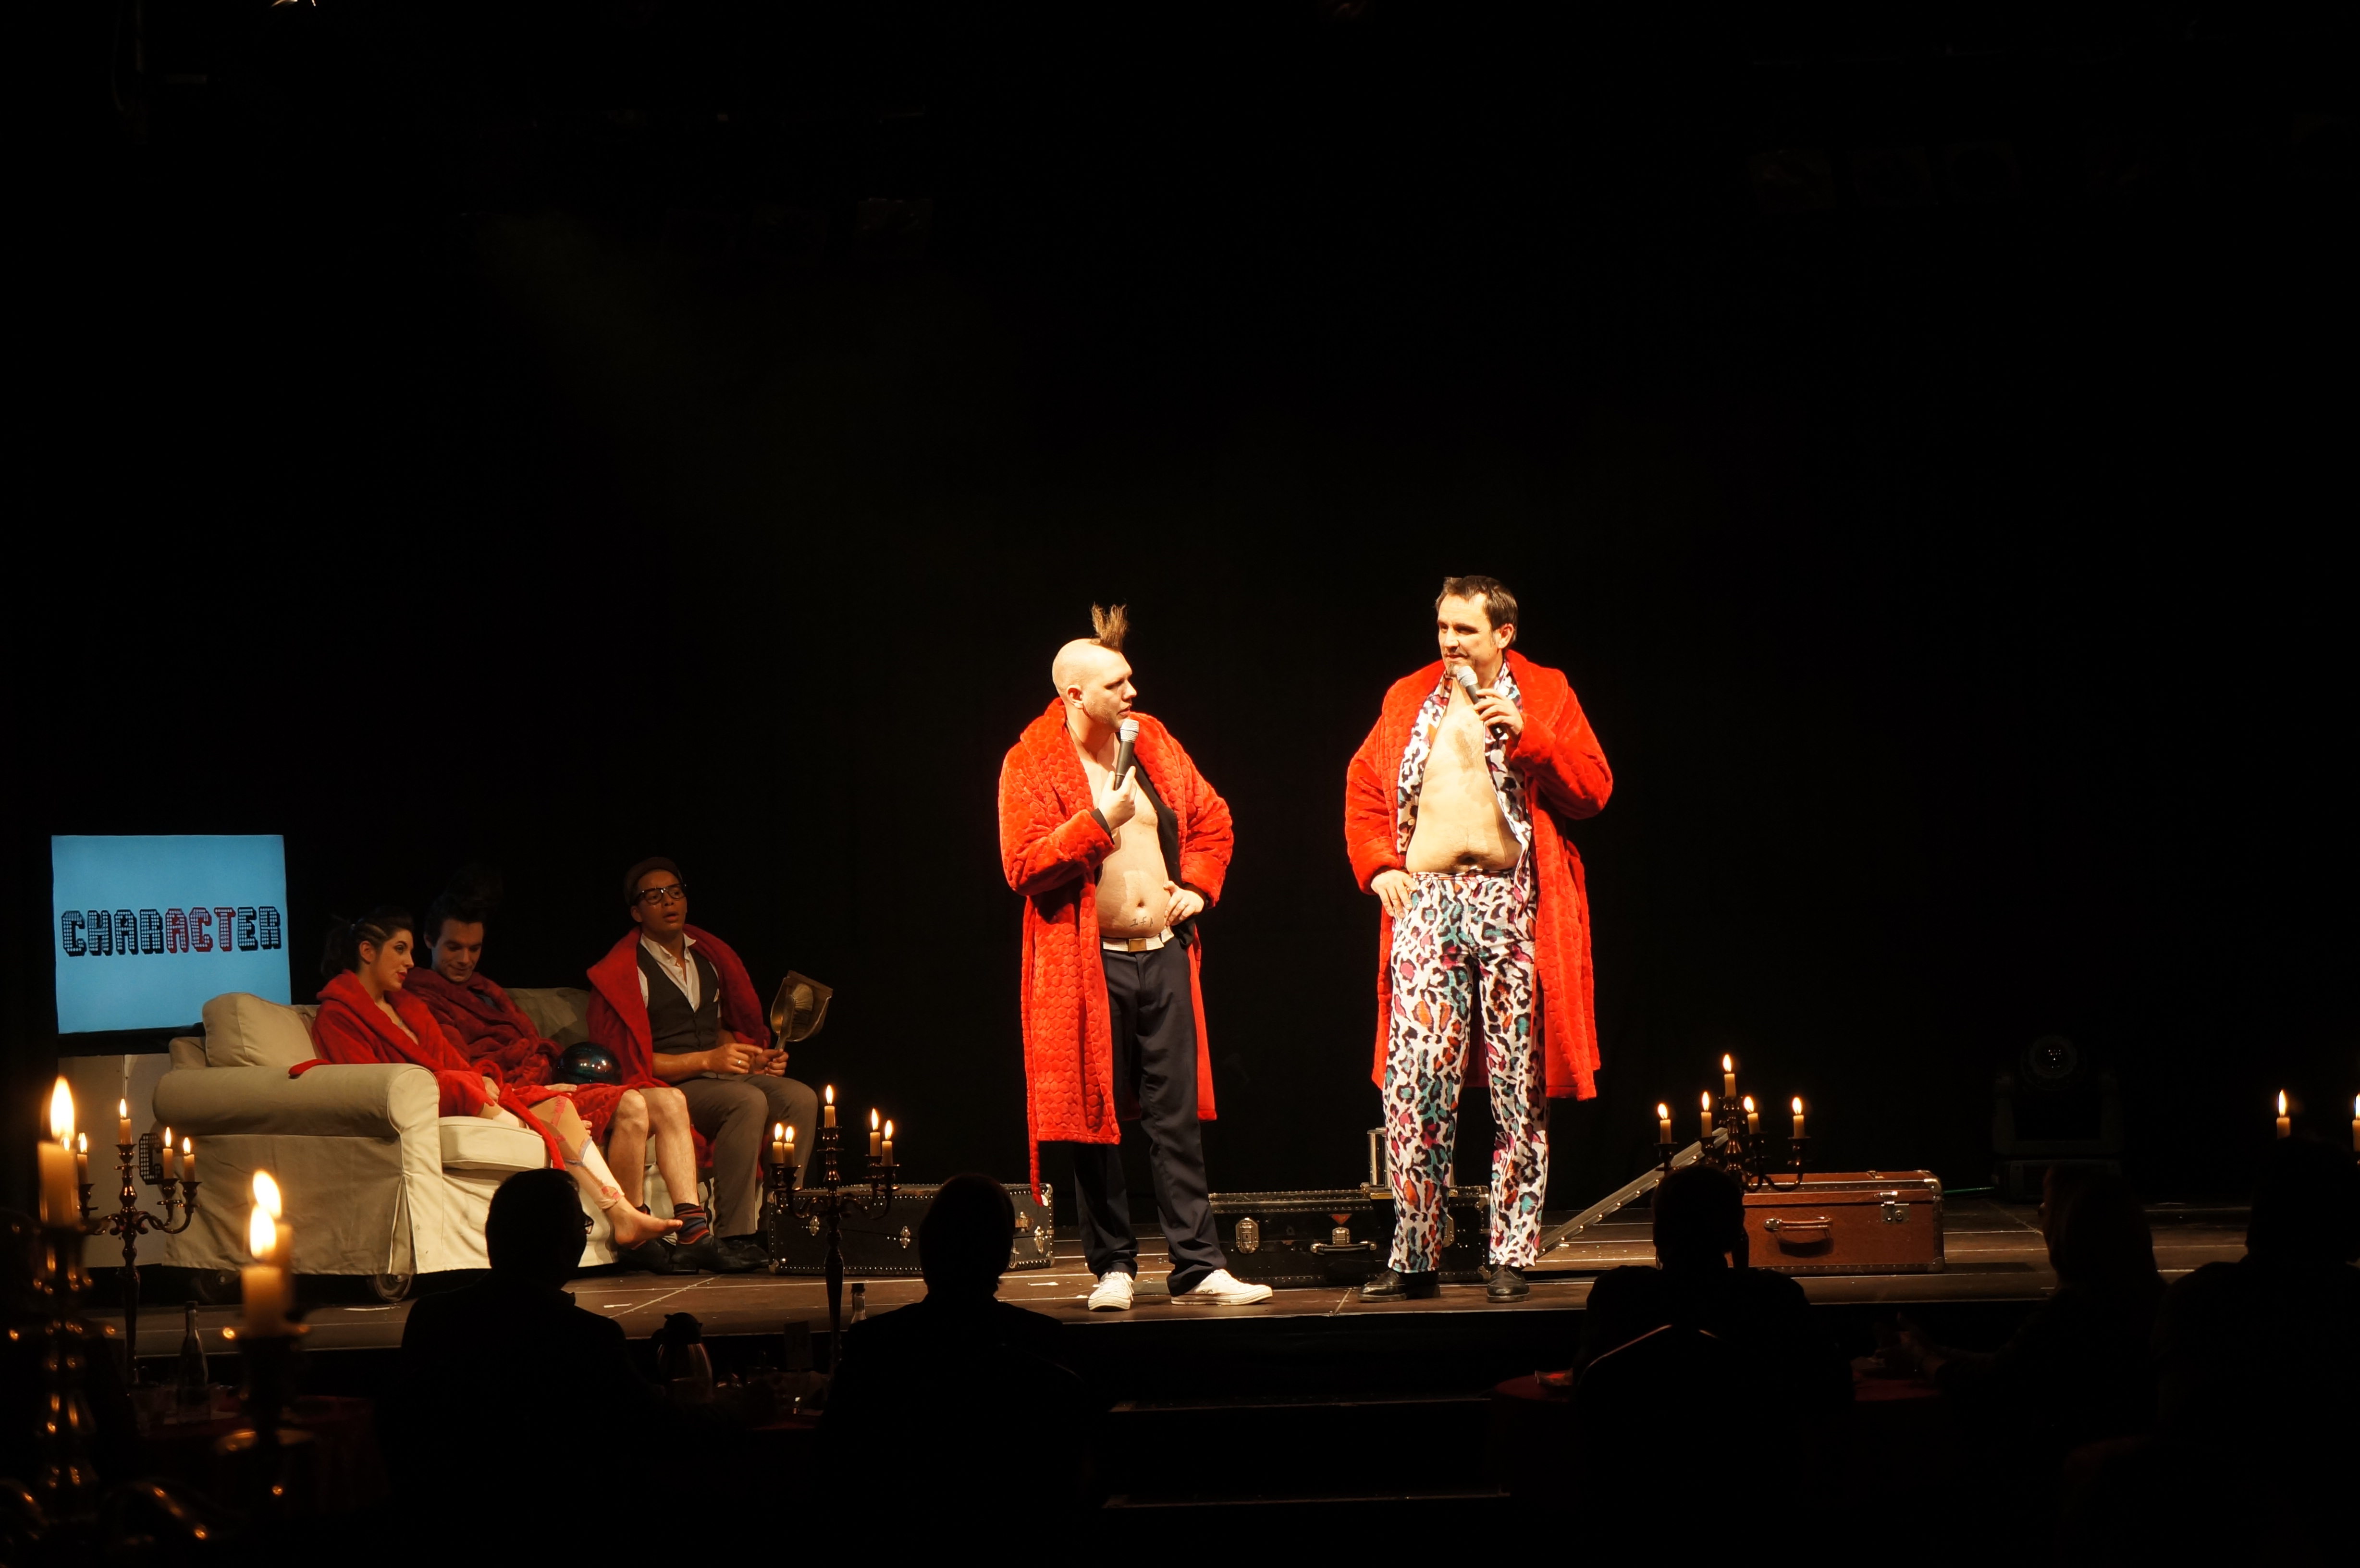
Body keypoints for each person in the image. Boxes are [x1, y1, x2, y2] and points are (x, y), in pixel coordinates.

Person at [1344, 576, 1613, 1301]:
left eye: (1465, 630)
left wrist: (1531, 737)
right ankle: (1415, 1256)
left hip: (1511, 902)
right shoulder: (1408, 696)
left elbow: (1593, 790)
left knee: (1517, 1088)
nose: (1450, 642)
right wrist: (1378, 866)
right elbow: (1365, 786)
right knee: (1416, 1086)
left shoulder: (1546, 692)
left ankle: (1510, 1254)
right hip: (1428, 900)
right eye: (1443, 628)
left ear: (1503, 634)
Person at [997, 604, 1270, 1309]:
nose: (1132, 693)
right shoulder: (1030, 761)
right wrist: (1099, 824)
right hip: (1088, 964)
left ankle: (1198, 1265)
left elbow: (1212, 818)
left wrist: (1198, 887)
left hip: (1164, 953)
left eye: (1130, 680)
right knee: (1095, 1119)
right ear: (1075, 695)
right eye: (1116, 685)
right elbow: (1023, 865)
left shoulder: (1152, 742)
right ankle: (1113, 1266)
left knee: (1175, 1118)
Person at [387, 1169, 782, 1531]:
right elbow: (661, 1430)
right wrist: (739, 1409)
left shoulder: (430, 1318)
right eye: (583, 1226)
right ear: (565, 1247)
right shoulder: (586, 1337)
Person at [298, 907, 677, 1251]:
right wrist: (468, 1084)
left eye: (410, 951)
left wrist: (488, 1083)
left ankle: (623, 1215)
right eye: (399, 950)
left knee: (559, 1105)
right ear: (367, 952)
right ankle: (547, 1139)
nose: (410, 962)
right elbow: (370, 1087)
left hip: (456, 1090)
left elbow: (455, 1063)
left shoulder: (408, 1006)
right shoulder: (338, 1015)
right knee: (492, 1095)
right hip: (420, 1101)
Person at [404, 867, 701, 1272]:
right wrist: (537, 1089)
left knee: (670, 1099)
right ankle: (634, 1226)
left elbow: (525, 1044)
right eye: (454, 948)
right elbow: (465, 1070)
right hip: (512, 1092)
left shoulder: (487, 992)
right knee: (632, 1104)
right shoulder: (421, 997)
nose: (465, 960)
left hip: (541, 1080)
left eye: (474, 949)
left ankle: (696, 1232)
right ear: (428, 941)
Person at [585, 858, 818, 1274]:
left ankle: (782, 1224)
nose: (668, 902)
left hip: (716, 1076)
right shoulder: (629, 969)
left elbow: (718, 1030)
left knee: (799, 1098)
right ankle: (734, 1234)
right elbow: (631, 1060)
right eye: (654, 897)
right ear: (637, 913)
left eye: (675, 892)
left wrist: (750, 1055)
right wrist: (708, 1060)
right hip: (667, 1082)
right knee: (746, 1102)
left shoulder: (706, 958)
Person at [820, 1174, 1094, 1511]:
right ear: (1005, 1253)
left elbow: (835, 1467)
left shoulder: (877, 1347)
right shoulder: (1042, 1341)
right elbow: (1078, 1473)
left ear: (925, 1250)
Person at [1882, 1166, 2162, 1472]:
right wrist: (1938, 1350)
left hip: (2063, 1465)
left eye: (2047, 1209)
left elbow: (1991, 1387)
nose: (2040, 1215)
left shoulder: (2070, 1313)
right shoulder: (2154, 1299)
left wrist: (1921, 1359)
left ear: (2071, 1227)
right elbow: (2014, 1364)